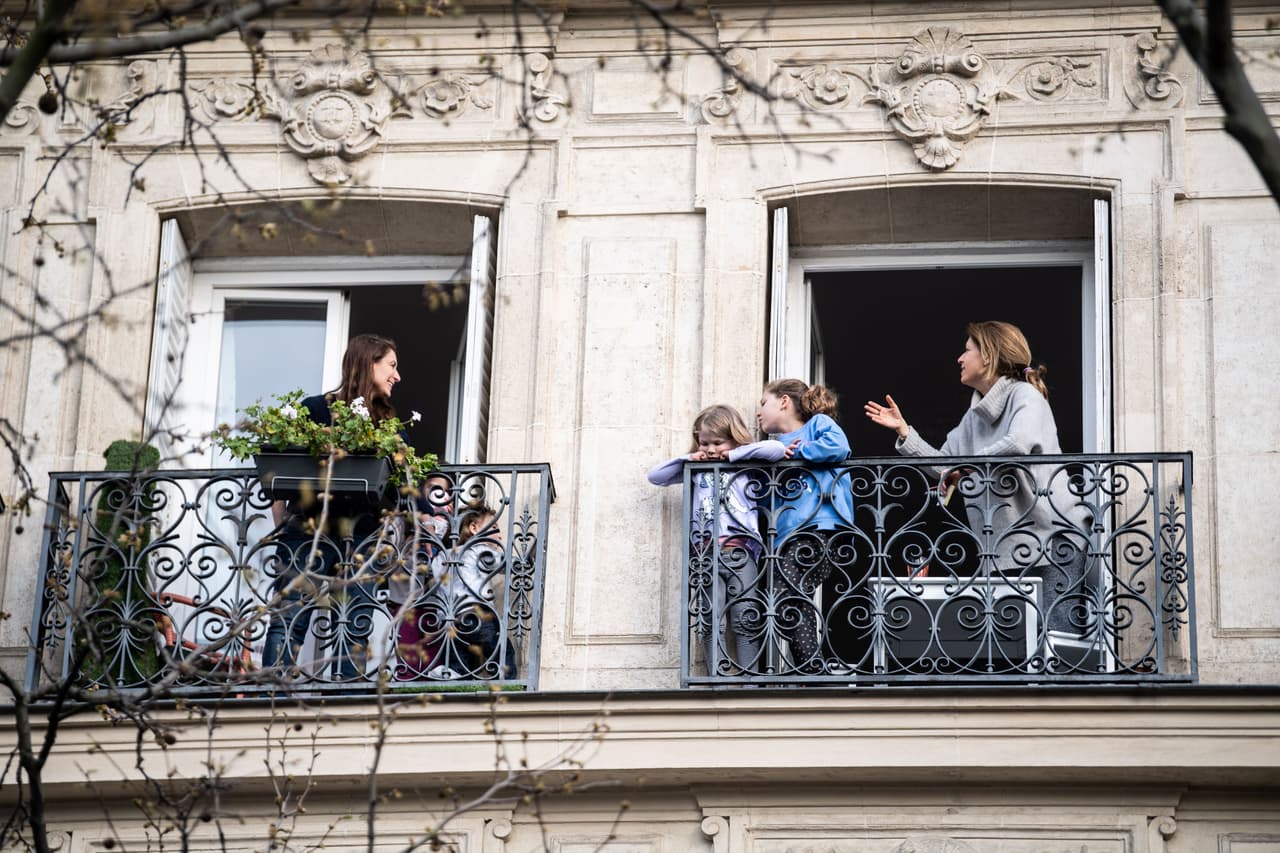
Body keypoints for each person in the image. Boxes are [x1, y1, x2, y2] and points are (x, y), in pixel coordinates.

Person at [864, 320, 1090, 634]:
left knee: (1056, 637)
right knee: (1020, 641)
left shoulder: (1025, 395)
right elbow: (944, 464)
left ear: (988, 356)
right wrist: (904, 431)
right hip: (1011, 545)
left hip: (1053, 537)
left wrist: (968, 467)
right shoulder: (974, 416)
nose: (959, 358)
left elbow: (1017, 444)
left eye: (967, 350)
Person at [261, 334, 405, 682]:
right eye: (392, 366)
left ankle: (344, 696)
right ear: (369, 363)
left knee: (355, 624)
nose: (397, 376)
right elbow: (281, 467)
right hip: (308, 529)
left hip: (364, 534)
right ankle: (268, 698)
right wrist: (281, 520)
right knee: (289, 619)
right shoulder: (315, 409)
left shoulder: (389, 426)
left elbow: (403, 488)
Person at [647, 404, 787, 675]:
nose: (711, 450)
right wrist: (689, 459)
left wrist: (732, 454)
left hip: (740, 551)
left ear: (734, 438)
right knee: (711, 619)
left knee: (745, 617)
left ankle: (748, 680)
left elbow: (776, 451)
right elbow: (656, 476)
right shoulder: (698, 468)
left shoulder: (744, 465)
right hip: (706, 554)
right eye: (705, 443)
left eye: (717, 442)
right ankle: (717, 680)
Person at [755, 379, 854, 673]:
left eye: (763, 403)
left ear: (784, 401)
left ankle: (811, 669)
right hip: (786, 538)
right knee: (789, 601)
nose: (758, 412)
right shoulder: (770, 447)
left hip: (819, 529)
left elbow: (838, 446)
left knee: (786, 597)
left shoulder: (817, 424)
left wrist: (796, 454)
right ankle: (811, 669)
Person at [427, 503, 514, 679]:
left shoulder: (442, 556)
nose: (500, 535)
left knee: (459, 662)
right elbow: (506, 564)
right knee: (502, 651)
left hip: (448, 620)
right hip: (477, 615)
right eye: (495, 527)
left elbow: (432, 583)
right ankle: (506, 682)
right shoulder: (479, 550)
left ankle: (451, 675)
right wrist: (527, 559)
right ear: (474, 528)